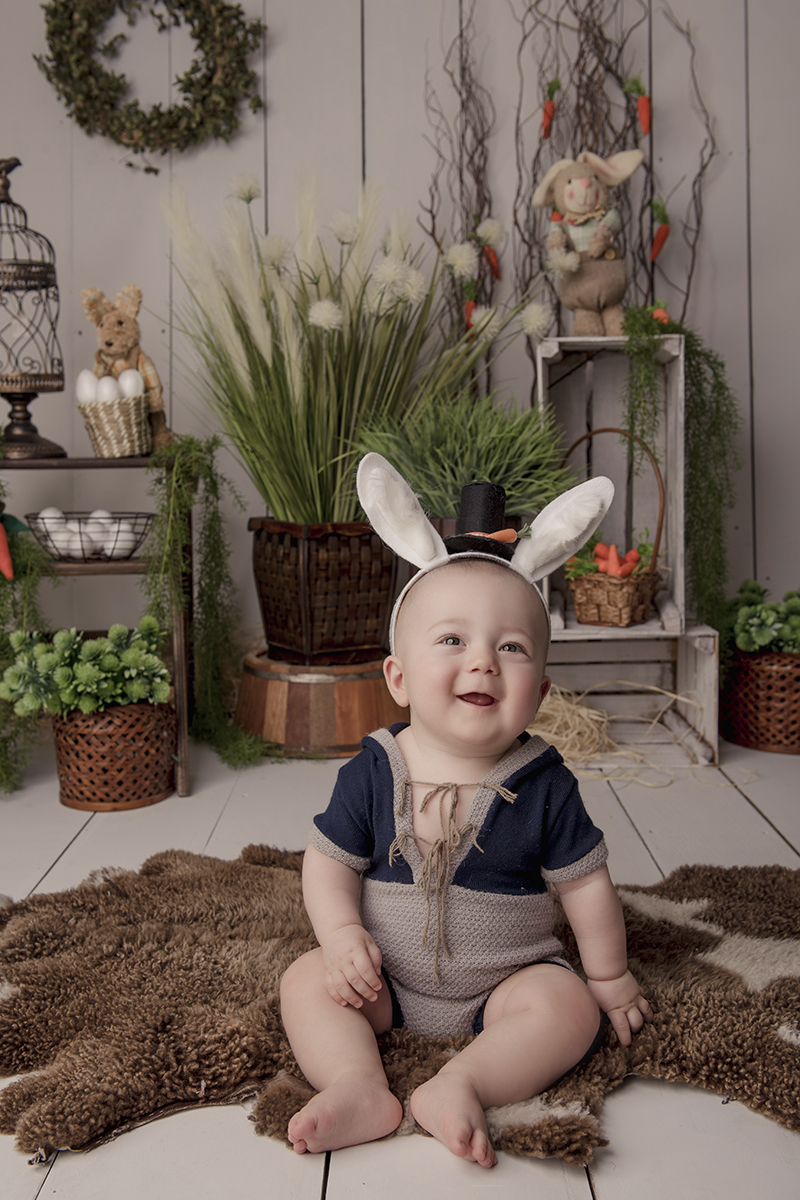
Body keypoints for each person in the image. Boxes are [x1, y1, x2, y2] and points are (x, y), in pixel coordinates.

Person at [279, 457, 652, 1169]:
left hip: (505, 984)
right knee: (304, 981)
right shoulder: (374, 770)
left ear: (540, 692)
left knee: (568, 1008)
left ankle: (463, 1083)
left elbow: (586, 887)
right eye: (452, 640)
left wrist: (608, 978)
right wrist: (341, 936)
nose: (483, 662)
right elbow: (327, 867)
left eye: (510, 647)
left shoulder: (543, 783)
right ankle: (358, 1083)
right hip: (384, 981)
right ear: (398, 677)